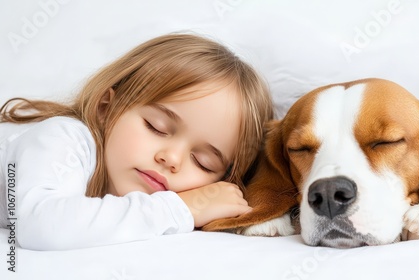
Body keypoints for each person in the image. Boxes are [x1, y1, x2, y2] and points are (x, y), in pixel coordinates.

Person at [0, 33, 274, 250]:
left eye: (203, 162)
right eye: (156, 127)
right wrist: (182, 208)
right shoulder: (63, 138)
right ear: (106, 108)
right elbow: (39, 226)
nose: (172, 158)